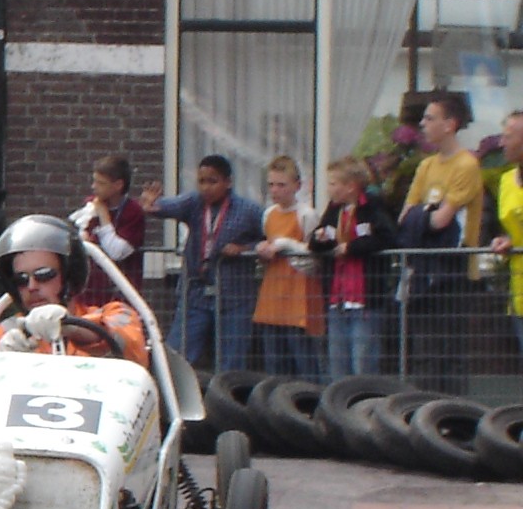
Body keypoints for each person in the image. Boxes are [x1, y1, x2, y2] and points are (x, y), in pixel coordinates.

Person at [0, 215, 148, 372]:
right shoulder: (2, 335)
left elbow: (134, 351)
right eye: (21, 279)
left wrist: (74, 328)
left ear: (69, 276)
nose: (31, 286)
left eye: (44, 274)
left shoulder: (116, 314)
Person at [140, 155, 264, 371]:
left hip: (234, 295)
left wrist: (244, 249)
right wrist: (151, 205)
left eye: (212, 182)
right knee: (178, 352)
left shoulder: (249, 210)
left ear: (228, 182)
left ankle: (227, 391)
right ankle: (172, 388)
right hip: (196, 292)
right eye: (201, 181)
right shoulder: (194, 202)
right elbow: (165, 207)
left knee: (232, 360)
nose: (206, 188)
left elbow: (268, 240)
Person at [398, 90, 484, 395]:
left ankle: (453, 414)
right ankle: (425, 412)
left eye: (430, 118)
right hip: (424, 272)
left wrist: (424, 216)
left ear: (450, 124)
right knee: (425, 353)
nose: (423, 124)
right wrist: (427, 214)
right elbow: (405, 217)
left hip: (454, 273)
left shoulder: (466, 165)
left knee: (450, 353)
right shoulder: (426, 166)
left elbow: (442, 221)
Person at [308, 156, 397, 379]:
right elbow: (317, 241)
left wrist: (352, 247)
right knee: (338, 363)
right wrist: (320, 239)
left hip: (365, 300)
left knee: (363, 362)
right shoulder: (334, 210)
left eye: (333, 183)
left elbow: (388, 237)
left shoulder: (373, 207)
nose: (329, 189)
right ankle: (340, 400)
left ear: (350, 186)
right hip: (337, 299)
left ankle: (365, 399)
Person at [252, 155, 324, 382]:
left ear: (297, 186)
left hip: (299, 294)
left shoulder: (306, 215)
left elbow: (315, 254)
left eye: (281, 185)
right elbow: (267, 243)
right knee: (274, 361)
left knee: (302, 357)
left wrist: (284, 244)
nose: (275, 190)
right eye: (271, 184)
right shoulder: (269, 214)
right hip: (273, 294)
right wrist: (262, 248)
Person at [487, 110, 523, 364]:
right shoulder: (506, 180)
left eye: (508, 136)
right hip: (519, 292)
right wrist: (506, 240)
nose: (501, 142)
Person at [71, 153, 147, 269]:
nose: (93, 186)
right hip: (91, 278)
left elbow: (116, 252)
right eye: (94, 181)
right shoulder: (91, 204)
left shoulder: (133, 211)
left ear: (118, 185)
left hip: (120, 279)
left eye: (101, 183)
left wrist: (103, 217)